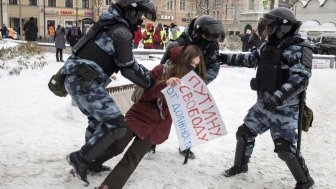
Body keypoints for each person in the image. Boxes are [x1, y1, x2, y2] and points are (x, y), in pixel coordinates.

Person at [62, 0, 157, 186]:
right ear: (130, 10)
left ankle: (90, 162)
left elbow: (125, 62)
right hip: (85, 82)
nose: (140, 20)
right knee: (116, 124)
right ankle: (80, 158)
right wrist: (150, 82)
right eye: (139, 15)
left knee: (97, 121)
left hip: (78, 79)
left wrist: (145, 73)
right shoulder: (121, 32)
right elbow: (128, 68)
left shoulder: (108, 24)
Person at [219, 7, 315, 189]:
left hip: (285, 109)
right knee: (244, 134)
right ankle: (240, 166)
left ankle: (305, 181)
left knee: (284, 148)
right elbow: (249, 60)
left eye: (270, 27)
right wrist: (223, 58)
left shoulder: (300, 49)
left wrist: (279, 97)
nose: (267, 31)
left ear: (283, 28)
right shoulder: (268, 46)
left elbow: (300, 78)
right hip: (264, 105)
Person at [94, 45, 206, 189]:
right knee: (116, 147)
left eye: (196, 65)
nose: (193, 68)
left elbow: (186, 109)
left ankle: (109, 187)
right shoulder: (161, 70)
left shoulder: (191, 82)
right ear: (183, 60)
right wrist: (164, 84)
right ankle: (89, 164)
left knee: (133, 157)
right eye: (191, 64)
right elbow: (146, 94)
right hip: (139, 116)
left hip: (157, 127)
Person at [158, 15, 225, 159]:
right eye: (207, 37)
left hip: (194, 87)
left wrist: (201, 82)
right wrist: (166, 81)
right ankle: (151, 142)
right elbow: (163, 66)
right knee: (162, 114)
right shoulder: (179, 44)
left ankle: (186, 145)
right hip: (173, 84)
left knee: (190, 117)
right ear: (198, 32)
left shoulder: (212, 45)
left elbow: (214, 66)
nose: (210, 41)